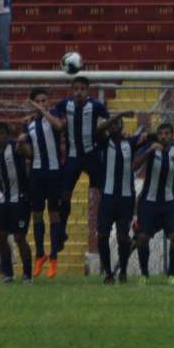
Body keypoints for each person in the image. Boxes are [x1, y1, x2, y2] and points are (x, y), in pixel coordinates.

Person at [55, 77, 133, 256]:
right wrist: (42, 112)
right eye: (75, 89)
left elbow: (103, 126)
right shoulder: (64, 104)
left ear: (87, 90)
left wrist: (118, 117)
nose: (79, 92)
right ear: (71, 90)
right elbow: (55, 118)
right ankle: (61, 230)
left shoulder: (96, 106)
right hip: (73, 157)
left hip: (92, 155)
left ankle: (100, 226)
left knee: (97, 192)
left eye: (82, 89)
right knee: (65, 194)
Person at [132, 123, 174, 285]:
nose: (164, 136)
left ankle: (171, 275)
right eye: (161, 134)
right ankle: (144, 275)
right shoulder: (151, 148)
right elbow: (134, 166)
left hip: (168, 203)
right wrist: (148, 152)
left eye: (167, 133)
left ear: (172, 135)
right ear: (158, 135)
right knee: (143, 237)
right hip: (148, 202)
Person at [21, 88, 66, 279]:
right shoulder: (29, 125)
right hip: (37, 174)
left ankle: (54, 257)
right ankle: (40, 255)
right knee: (37, 215)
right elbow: (30, 154)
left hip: (54, 173)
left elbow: (59, 127)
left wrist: (41, 110)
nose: (42, 103)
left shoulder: (53, 116)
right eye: (38, 101)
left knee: (54, 215)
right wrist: (22, 143)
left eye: (45, 100)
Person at [95, 117, 145, 284]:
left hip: (126, 199)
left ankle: (123, 271)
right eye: (112, 122)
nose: (115, 125)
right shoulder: (103, 141)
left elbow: (146, 137)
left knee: (122, 237)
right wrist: (120, 114)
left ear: (122, 125)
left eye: (118, 122)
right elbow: (99, 131)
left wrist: (150, 142)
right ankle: (108, 273)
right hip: (107, 198)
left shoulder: (129, 142)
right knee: (102, 236)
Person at [0, 123, 33, 283]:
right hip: (5, 201)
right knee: (0, 236)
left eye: (2, 133)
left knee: (19, 237)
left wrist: (23, 143)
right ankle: (8, 273)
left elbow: (28, 154)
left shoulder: (15, 148)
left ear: (7, 135)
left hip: (21, 200)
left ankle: (27, 274)